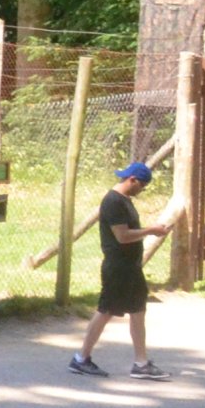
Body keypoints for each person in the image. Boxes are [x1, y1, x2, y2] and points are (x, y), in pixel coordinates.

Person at [70, 161, 173, 379]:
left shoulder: (124, 200)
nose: (142, 190)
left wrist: (150, 230)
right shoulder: (113, 202)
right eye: (142, 185)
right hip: (118, 267)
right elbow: (122, 236)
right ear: (132, 180)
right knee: (105, 311)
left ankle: (141, 363)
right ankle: (81, 358)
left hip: (130, 267)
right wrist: (151, 230)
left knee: (137, 311)